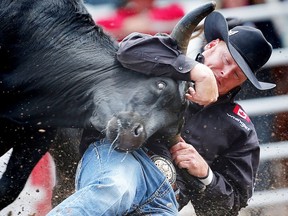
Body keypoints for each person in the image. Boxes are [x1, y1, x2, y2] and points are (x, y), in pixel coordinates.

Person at [47, 11, 275, 216]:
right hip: (119, 156)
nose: (225, 72)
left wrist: (207, 175)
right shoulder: (170, 59)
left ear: (244, 82)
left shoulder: (239, 128)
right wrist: (198, 73)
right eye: (226, 60)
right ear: (212, 45)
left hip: (164, 198)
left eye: (237, 75)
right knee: (116, 187)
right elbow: (126, 49)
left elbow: (231, 205)